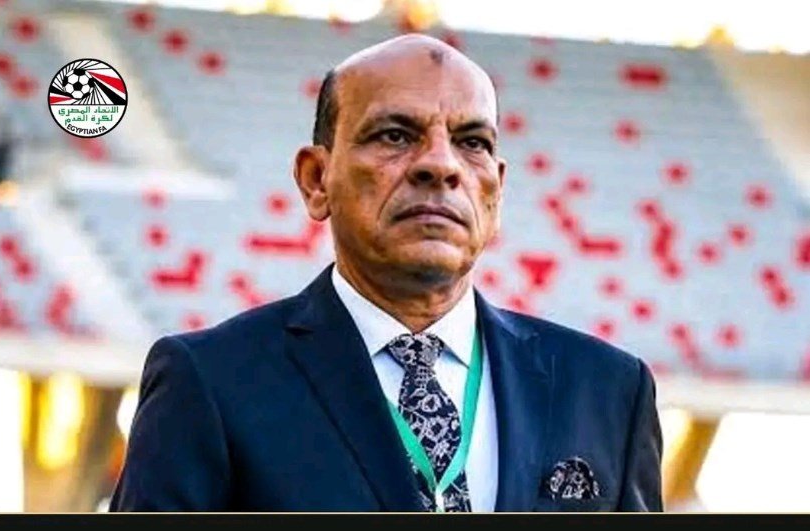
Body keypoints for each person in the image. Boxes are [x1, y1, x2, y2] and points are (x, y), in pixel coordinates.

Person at [109, 33, 663, 513]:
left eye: (472, 142)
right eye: (395, 135)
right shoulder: (210, 382)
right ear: (316, 179)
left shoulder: (608, 392)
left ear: (497, 190)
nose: (441, 164)